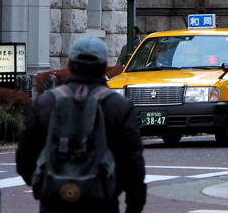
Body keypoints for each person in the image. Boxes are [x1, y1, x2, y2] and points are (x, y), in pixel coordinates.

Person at [17, 37, 146, 213]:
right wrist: (134, 205)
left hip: (54, 201)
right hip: (102, 201)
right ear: (105, 68)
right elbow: (132, 163)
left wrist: (42, 185)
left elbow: (25, 155)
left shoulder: (46, 103)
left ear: (69, 65)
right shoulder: (119, 106)